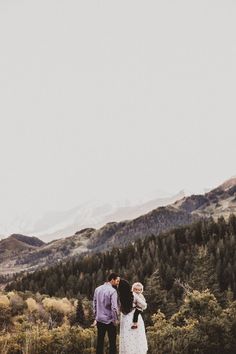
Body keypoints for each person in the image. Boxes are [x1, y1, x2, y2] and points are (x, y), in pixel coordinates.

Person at [118, 279, 148, 354]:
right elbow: (144, 305)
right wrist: (139, 307)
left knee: (127, 337)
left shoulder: (119, 295)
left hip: (124, 318)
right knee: (136, 337)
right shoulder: (133, 295)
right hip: (133, 316)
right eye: (136, 289)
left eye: (139, 289)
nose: (137, 291)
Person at [93, 273, 120, 354]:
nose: (117, 283)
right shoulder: (113, 291)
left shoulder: (97, 289)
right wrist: (115, 320)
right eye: (117, 281)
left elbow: (94, 304)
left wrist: (95, 317)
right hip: (110, 320)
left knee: (100, 341)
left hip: (99, 319)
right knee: (112, 342)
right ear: (112, 280)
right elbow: (114, 308)